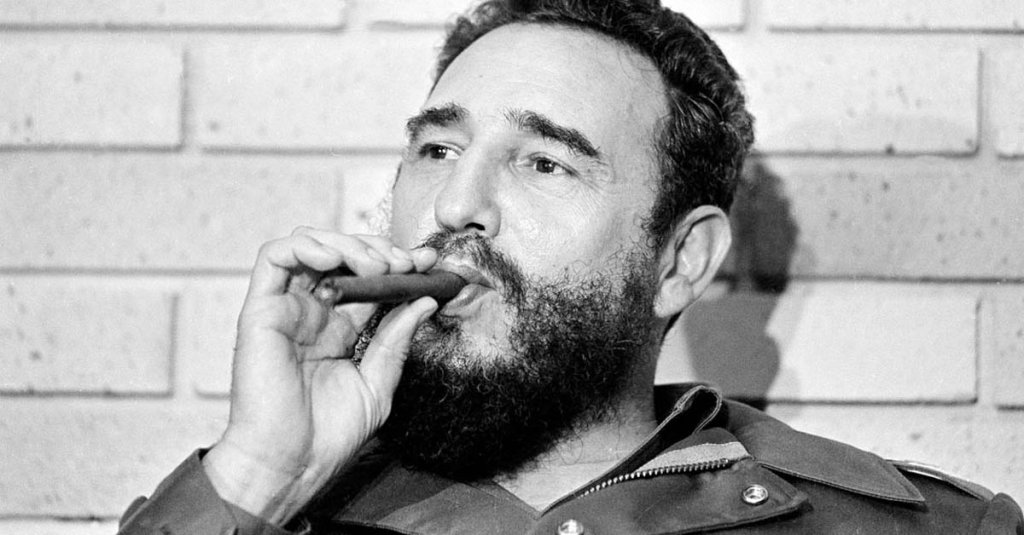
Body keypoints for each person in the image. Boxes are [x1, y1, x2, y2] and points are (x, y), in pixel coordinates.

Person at [117, 1, 1023, 533]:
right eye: (437, 150)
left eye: (544, 163)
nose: (455, 205)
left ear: (680, 259)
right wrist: (260, 476)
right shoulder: (259, 508)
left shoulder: (923, 529)